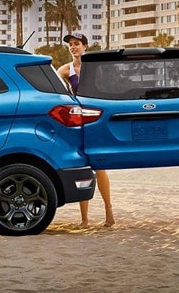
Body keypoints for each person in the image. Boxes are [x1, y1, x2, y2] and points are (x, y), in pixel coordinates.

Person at [57, 32, 115, 228]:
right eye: (71, 45)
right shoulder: (65, 71)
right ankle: (84, 219)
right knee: (82, 169)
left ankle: (109, 212)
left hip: (95, 122)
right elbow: (56, 92)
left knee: (100, 168)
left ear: (85, 47)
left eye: (77, 44)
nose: (73, 47)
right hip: (77, 124)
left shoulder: (97, 70)